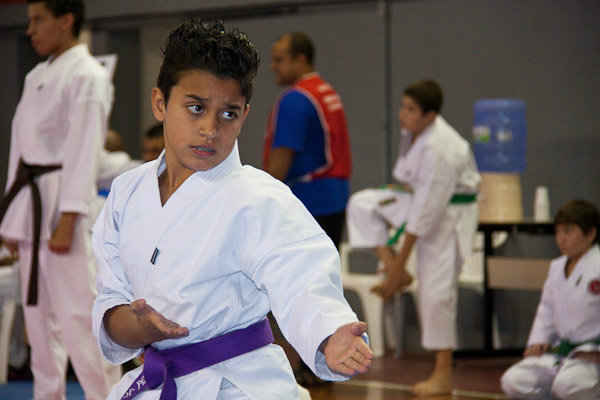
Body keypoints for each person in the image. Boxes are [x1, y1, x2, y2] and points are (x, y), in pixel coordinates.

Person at [91, 20, 373, 400]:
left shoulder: (257, 198)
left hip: (238, 384)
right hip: (158, 379)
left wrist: (331, 333)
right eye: (196, 108)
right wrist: (135, 326)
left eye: (228, 114)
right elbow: (111, 297)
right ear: (160, 103)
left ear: (244, 115)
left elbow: (301, 274)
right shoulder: (127, 193)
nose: (211, 129)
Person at [0, 0, 121, 399]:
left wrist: (69, 216)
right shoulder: (36, 75)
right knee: (38, 325)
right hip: (32, 205)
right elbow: (20, 153)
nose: (30, 30)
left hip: (63, 207)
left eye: (39, 20)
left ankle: (107, 395)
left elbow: (85, 149)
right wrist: (12, 218)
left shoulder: (88, 74)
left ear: (66, 20)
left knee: (80, 318)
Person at [347, 79, 480, 396]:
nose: (402, 115)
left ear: (430, 115)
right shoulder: (415, 131)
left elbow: (423, 215)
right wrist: (396, 266)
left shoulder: (441, 149)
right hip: (420, 200)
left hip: (449, 215)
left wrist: (396, 268)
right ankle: (397, 269)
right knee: (362, 204)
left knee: (437, 292)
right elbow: (410, 182)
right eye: (403, 106)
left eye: (411, 110)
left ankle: (443, 373)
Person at [501, 199, 600, 399]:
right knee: (512, 381)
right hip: (562, 352)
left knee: (567, 386)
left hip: (592, 355)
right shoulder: (556, 267)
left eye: (569, 232)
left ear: (590, 233)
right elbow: (546, 309)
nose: (561, 239)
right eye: (558, 232)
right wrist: (539, 341)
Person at [263, 31, 352, 248]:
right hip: (336, 198)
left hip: (309, 202)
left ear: (300, 60)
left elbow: (281, 158)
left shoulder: (295, 98)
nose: (272, 66)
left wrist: (263, 200)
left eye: (279, 60)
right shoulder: (326, 91)